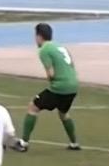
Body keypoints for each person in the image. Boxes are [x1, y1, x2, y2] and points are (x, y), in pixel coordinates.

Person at [13, 23, 80, 152]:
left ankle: (24, 143)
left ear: (39, 36)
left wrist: (51, 80)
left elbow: (51, 73)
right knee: (63, 113)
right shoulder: (59, 46)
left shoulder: (44, 49)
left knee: (33, 107)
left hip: (60, 86)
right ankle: (74, 143)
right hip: (73, 85)